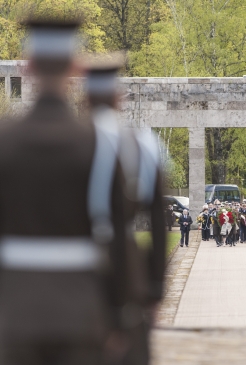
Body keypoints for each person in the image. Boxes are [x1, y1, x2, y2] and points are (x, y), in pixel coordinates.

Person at [0, 19, 134, 365]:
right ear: (76, 66)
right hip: (81, 310)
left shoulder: (5, 142)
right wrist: (120, 317)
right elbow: (120, 236)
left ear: (27, 67)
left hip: (14, 310)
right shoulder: (99, 144)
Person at [85, 54, 167, 365]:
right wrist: (155, 288)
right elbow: (160, 220)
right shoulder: (139, 145)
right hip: (124, 273)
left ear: (84, 98)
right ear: (118, 98)